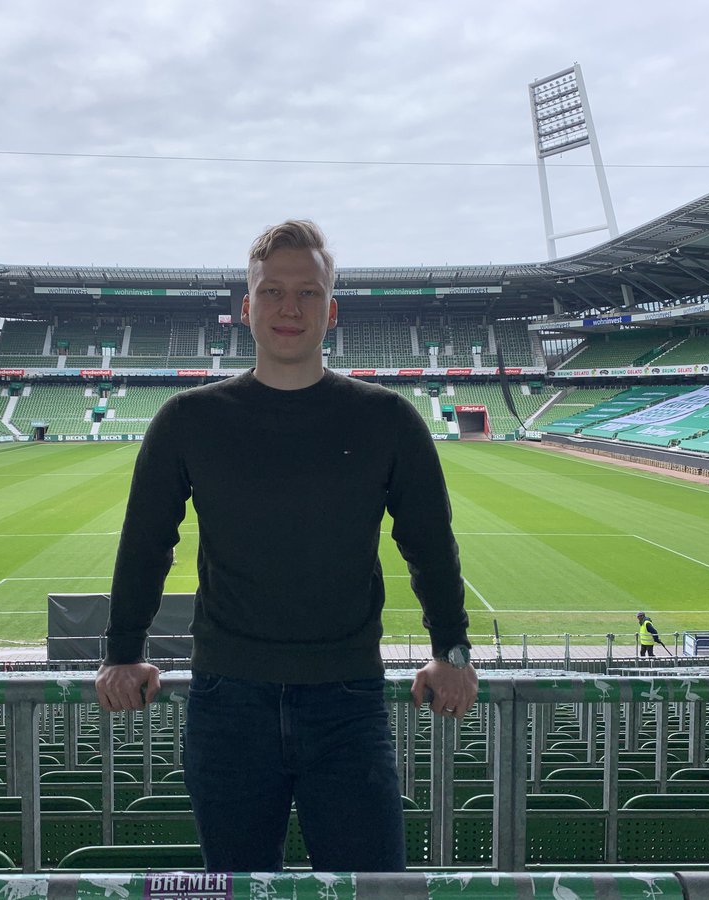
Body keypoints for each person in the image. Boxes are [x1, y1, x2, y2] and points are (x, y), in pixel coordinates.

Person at [95, 219, 478, 873]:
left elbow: (430, 544)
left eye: (307, 293)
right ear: (246, 308)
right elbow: (145, 542)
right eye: (272, 292)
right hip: (226, 704)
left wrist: (453, 651)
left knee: (370, 888)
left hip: (347, 702)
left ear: (331, 311)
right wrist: (123, 653)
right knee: (241, 889)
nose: (289, 308)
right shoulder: (188, 420)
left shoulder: (387, 418)